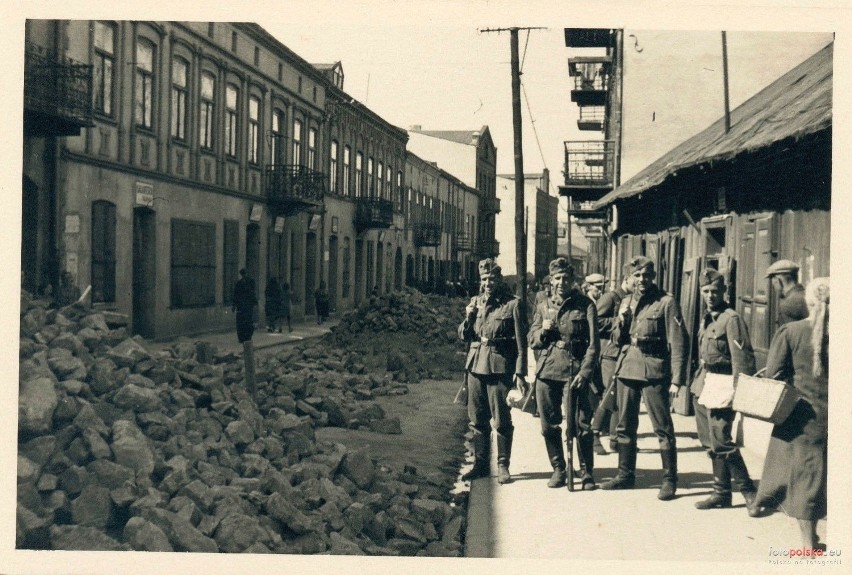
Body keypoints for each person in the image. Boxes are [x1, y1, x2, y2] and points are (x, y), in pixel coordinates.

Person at [749, 278, 829, 551]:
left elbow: (774, 374)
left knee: (806, 479)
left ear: (808, 302)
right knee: (826, 477)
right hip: (835, 418)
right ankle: (815, 540)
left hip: (804, 420)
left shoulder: (791, 332)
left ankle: (807, 546)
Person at [600, 256, 688, 501]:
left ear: (653, 277)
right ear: (631, 277)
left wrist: (677, 380)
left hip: (654, 369)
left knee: (662, 427)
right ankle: (625, 475)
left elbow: (679, 342)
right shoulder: (626, 301)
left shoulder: (666, 302)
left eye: (647, 275)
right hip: (628, 367)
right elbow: (618, 339)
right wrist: (622, 320)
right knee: (624, 424)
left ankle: (670, 480)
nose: (642, 280)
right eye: (637, 275)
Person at [528, 257, 600, 490]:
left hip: (575, 369)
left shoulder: (585, 305)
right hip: (548, 370)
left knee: (581, 425)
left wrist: (586, 371)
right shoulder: (542, 305)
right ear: (551, 280)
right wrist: (542, 333)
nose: (561, 282)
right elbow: (532, 339)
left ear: (572, 280)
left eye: (566, 278)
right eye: (557, 278)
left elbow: (593, 344)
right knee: (549, 425)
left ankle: (587, 471)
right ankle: (558, 467)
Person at [690, 269, 757, 510]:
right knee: (708, 440)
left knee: (721, 440)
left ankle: (749, 491)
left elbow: (743, 359)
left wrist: (741, 393)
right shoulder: (708, 318)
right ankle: (721, 492)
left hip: (723, 383)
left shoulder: (731, 319)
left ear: (724, 292)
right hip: (704, 382)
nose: (710, 296)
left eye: (715, 291)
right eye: (706, 291)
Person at [459, 258, 527, 484]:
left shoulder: (512, 304)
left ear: (499, 280)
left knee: (501, 420)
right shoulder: (475, 302)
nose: (488, 283)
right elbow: (463, 336)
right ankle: (480, 465)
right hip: (476, 366)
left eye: (493, 278)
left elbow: (521, 341)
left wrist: (520, 372)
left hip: (499, 367)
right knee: (477, 420)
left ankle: (502, 466)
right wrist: (468, 317)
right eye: (484, 279)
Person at [594, 265, 632, 452]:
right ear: (626, 279)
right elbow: (594, 320)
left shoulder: (632, 299)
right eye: (635, 278)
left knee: (619, 397)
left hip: (623, 353)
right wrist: (617, 320)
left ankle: (616, 439)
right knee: (609, 394)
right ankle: (595, 435)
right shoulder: (611, 298)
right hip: (609, 353)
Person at [232, 268, 258, 398]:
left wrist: (234, 305)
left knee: (242, 323)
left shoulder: (240, 283)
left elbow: (235, 295)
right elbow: (252, 294)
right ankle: (246, 337)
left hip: (242, 307)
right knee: (247, 323)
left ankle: (243, 337)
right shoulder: (250, 282)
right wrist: (254, 303)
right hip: (246, 307)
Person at [766, 259, 808, 327]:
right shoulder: (806, 295)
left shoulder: (788, 304)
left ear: (778, 279)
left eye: (773, 280)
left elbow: (788, 335)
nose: (773, 285)